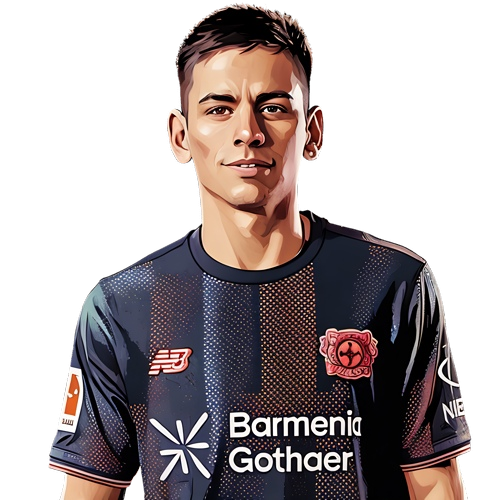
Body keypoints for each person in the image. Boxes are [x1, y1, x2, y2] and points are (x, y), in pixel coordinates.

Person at [48, 3, 472, 498]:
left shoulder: (391, 282)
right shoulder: (123, 307)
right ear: (180, 136)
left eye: (273, 107)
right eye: (218, 109)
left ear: (312, 132)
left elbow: (434, 484)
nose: (247, 132)